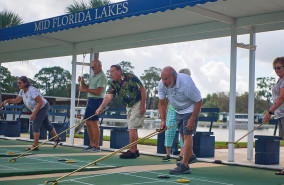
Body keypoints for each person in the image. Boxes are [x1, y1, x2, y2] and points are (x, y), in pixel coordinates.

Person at [96, 64, 146, 159]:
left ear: (119, 71)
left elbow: (143, 89)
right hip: (128, 105)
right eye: (110, 72)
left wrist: (143, 105)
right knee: (133, 127)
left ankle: (131, 150)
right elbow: (109, 96)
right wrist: (100, 107)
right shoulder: (113, 83)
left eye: (113, 72)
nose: (111, 74)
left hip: (138, 102)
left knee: (131, 126)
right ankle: (135, 150)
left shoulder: (131, 77)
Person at [158, 66, 202, 174]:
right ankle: (190, 156)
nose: (164, 82)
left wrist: (192, 118)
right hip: (178, 109)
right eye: (162, 78)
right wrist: (163, 121)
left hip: (191, 108)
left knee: (187, 135)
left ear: (174, 77)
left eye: (166, 79)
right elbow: (161, 104)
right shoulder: (162, 84)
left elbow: (199, 101)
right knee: (182, 134)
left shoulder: (186, 84)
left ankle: (185, 165)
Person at [0, 76, 61, 150]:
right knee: (46, 125)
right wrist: (6, 101)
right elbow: (17, 100)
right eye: (17, 83)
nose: (18, 84)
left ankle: (35, 146)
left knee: (35, 124)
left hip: (43, 107)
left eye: (19, 83)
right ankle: (57, 138)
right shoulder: (22, 91)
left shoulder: (32, 91)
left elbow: (40, 102)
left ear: (25, 83)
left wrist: (34, 114)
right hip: (38, 108)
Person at [163, 68, 192, 162]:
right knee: (169, 132)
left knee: (183, 134)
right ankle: (168, 154)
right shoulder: (174, 84)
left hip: (183, 112)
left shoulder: (189, 86)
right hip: (172, 111)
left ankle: (182, 154)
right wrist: (167, 109)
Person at [261, 57, 284, 175]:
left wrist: (269, 112)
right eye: (274, 68)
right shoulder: (280, 80)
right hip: (280, 114)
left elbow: (281, 98)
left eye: (279, 67)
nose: (276, 70)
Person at [79, 59, 107, 152]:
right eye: (91, 67)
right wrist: (82, 82)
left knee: (94, 122)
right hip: (90, 100)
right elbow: (87, 88)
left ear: (99, 66)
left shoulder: (102, 76)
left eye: (93, 67)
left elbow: (99, 91)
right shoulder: (93, 76)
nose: (92, 69)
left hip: (97, 100)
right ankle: (91, 144)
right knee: (88, 122)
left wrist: (85, 90)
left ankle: (97, 146)